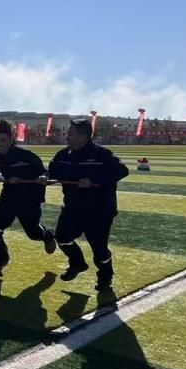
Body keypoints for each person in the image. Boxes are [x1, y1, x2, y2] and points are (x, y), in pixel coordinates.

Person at [48, 120, 130, 292]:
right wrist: (45, 178)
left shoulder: (102, 154)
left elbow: (122, 170)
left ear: (83, 137)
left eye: (70, 134)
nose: (67, 137)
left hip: (99, 211)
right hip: (72, 208)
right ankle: (77, 263)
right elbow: (52, 171)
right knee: (62, 238)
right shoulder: (63, 155)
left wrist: (93, 180)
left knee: (99, 250)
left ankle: (105, 276)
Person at [0, 120, 55, 277]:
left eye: (3, 140)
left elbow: (46, 172)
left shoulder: (26, 155)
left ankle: (47, 235)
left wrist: (43, 177)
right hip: (8, 197)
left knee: (33, 233)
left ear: (11, 139)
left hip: (29, 198)